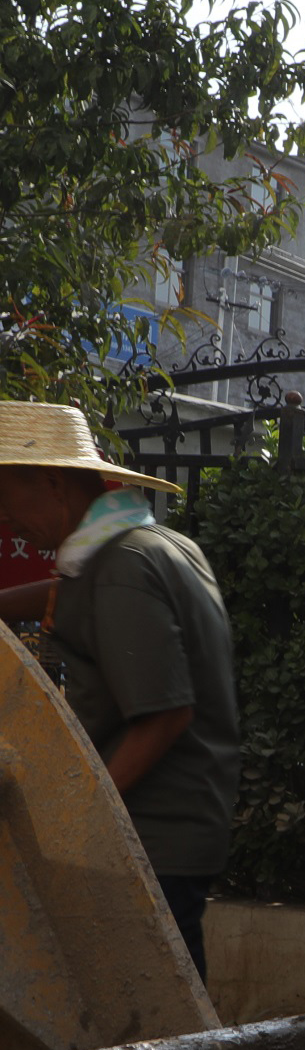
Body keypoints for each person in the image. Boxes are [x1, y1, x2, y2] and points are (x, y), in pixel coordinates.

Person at [0, 402, 235, 977]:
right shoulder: (149, 546)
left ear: (52, 484)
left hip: (149, 839)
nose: (6, 521)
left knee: (156, 1030)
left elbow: (165, 714)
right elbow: (72, 594)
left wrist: (78, 811)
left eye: (5, 498)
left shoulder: (123, 567)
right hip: (176, 828)